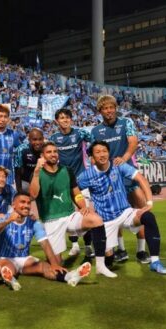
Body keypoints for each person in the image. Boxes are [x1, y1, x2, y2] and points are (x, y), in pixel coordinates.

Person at [77, 141, 166, 275]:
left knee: (148, 217)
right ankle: (106, 253)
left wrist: (149, 203)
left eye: (104, 151)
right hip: (105, 220)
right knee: (108, 262)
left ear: (109, 152)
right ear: (91, 157)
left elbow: (141, 179)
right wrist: (83, 206)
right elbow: (74, 190)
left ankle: (155, 261)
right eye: (98, 152)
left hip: (125, 213)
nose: (102, 154)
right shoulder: (86, 175)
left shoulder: (118, 165)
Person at [29, 142, 116, 278]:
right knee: (57, 264)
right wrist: (35, 173)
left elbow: (76, 193)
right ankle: (31, 264)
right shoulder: (37, 174)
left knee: (96, 219)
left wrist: (83, 206)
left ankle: (101, 265)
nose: (53, 154)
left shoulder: (67, 170)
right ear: (42, 155)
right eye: (49, 152)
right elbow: (33, 195)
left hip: (69, 216)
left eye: (55, 151)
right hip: (51, 220)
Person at [92, 95, 149, 264]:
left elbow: (133, 142)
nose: (109, 111)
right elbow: (97, 152)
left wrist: (124, 158)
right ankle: (121, 250)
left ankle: (141, 251)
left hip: (127, 174)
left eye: (111, 107)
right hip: (109, 178)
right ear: (100, 111)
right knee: (113, 215)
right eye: (105, 108)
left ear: (115, 108)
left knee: (140, 210)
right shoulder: (96, 131)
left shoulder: (126, 122)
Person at [0, 193, 92, 289]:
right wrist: (8, 221)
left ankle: (70, 276)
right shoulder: (4, 218)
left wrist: (54, 264)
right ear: (14, 205)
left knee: (45, 267)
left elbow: (45, 243)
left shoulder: (33, 222)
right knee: (9, 268)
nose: (26, 205)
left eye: (28, 203)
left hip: (25, 259)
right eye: (22, 202)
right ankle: (11, 279)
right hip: (5, 258)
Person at [50, 108, 94, 258]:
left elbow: (94, 141)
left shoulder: (80, 133)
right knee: (68, 215)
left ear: (71, 120)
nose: (65, 120)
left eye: (67, 117)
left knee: (85, 212)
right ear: (57, 121)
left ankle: (88, 246)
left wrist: (90, 154)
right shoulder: (53, 138)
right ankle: (75, 245)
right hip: (64, 181)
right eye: (61, 118)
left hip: (82, 179)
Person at [0, 104, 21, 187]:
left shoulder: (13, 134)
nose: (3, 119)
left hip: (8, 179)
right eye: (0, 116)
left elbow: (21, 150)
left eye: (5, 117)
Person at [14, 128, 44, 193]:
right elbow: (17, 173)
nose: (38, 142)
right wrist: (19, 191)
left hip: (43, 181)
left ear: (43, 139)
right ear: (29, 140)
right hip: (25, 181)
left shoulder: (47, 149)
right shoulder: (21, 150)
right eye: (34, 139)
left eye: (40, 139)